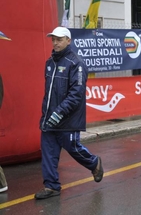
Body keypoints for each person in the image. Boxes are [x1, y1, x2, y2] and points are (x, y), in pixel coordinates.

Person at [35, 27, 103, 200]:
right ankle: (51, 186)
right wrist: (47, 114)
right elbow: (48, 93)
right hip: (50, 118)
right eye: (53, 40)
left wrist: (59, 112)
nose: (55, 43)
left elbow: (76, 94)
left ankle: (94, 163)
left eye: (59, 39)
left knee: (72, 148)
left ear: (68, 41)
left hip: (69, 119)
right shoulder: (49, 63)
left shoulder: (76, 64)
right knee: (48, 151)